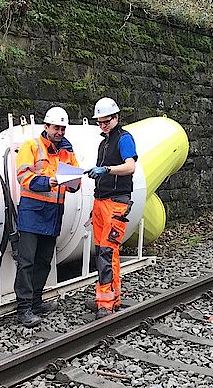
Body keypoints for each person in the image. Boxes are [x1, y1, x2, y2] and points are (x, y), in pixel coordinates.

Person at [14, 106, 81, 327]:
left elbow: (76, 181)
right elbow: (23, 176)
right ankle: (24, 308)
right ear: (46, 127)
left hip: (53, 213)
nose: (59, 132)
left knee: (43, 261)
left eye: (62, 128)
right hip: (32, 211)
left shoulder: (67, 151)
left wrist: (74, 183)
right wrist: (47, 182)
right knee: (27, 262)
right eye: (56, 128)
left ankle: (35, 302)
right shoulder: (32, 146)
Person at [86, 97, 137, 319]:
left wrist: (106, 169)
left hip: (116, 203)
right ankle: (109, 297)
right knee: (104, 251)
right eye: (100, 122)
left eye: (106, 121)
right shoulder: (104, 143)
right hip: (102, 202)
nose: (103, 125)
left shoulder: (124, 139)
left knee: (107, 251)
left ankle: (105, 303)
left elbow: (130, 166)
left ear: (116, 117)